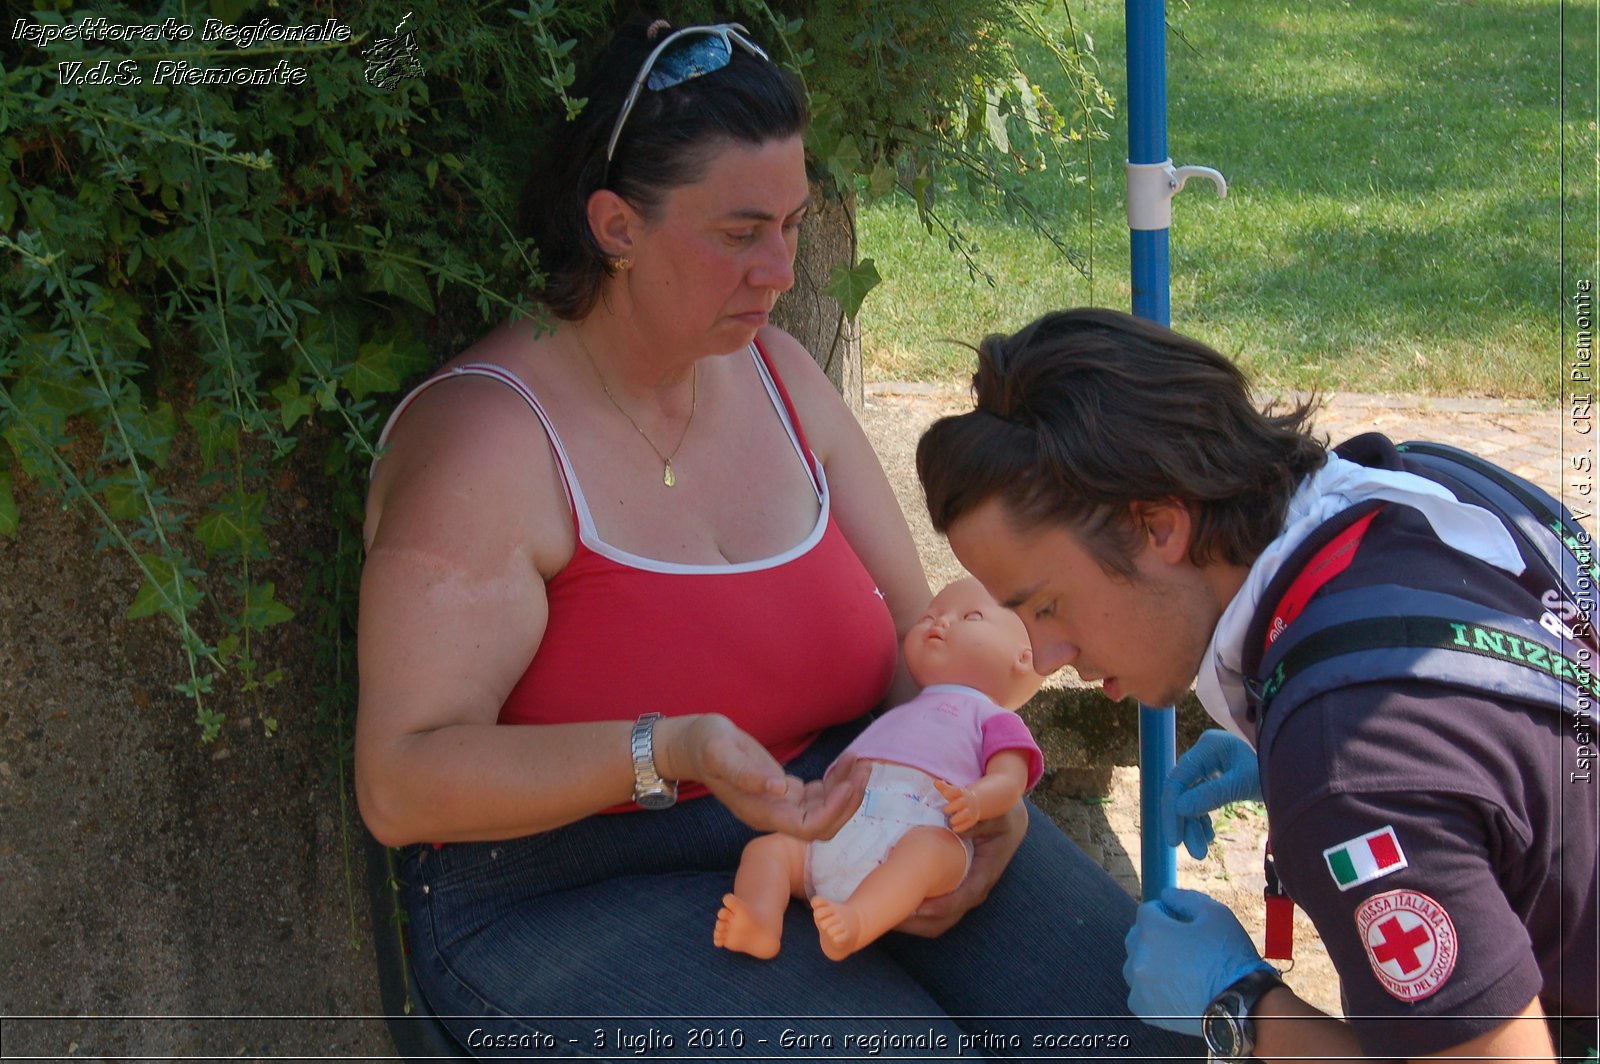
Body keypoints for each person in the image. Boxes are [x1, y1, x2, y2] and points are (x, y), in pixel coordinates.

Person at [355, 18, 1199, 1058]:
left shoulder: (782, 380)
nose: (778, 268)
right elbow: (400, 785)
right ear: (615, 225)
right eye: (738, 232)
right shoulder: (488, 442)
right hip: (566, 885)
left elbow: (915, 659)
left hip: (856, 803)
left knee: (1158, 1030)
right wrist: (670, 749)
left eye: (793, 224)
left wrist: (996, 800)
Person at [915, 306, 1599, 1062]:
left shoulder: (1349, 759)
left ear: (1159, 526)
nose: (1041, 656)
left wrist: (1240, 1007)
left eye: (1046, 605)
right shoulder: (1423, 481)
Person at [715, 577, 1045, 961]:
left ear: (1023, 657)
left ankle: (857, 920)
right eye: (930, 616)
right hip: (839, 831)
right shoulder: (906, 711)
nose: (938, 623)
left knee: (927, 854)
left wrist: (977, 800)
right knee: (768, 850)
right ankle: (760, 919)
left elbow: (1009, 778)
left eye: (969, 616)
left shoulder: (993, 718)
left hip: (926, 828)